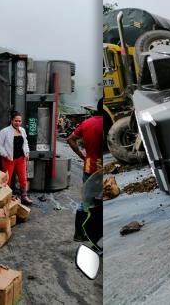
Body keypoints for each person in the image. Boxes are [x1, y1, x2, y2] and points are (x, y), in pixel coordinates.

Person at [67, 98, 103, 241]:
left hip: (89, 167)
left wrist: (83, 156)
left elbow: (70, 139)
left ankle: (79, 233)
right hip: (101, 170)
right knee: (100, 202)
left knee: (87, 201)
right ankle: (95, 234)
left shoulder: (86, 123)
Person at [0, 111, 32, 205]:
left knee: (23, 178)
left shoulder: (22, 130)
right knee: (7, 180)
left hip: (21, 158)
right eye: (16, 121)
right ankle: (6, 198)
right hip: (9, 159)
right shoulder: (4, 131)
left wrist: (27, 152)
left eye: (20, 121)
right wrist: (5, 155)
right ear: (12, 120)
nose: (18, 123)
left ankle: (24, 196)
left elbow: (25, 143)